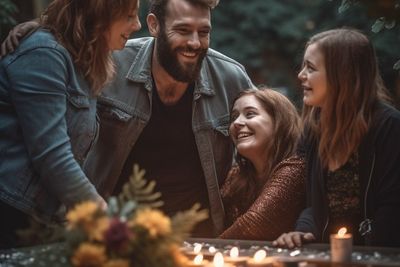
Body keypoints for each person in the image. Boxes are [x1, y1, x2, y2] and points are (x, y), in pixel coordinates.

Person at [3, 0, 253, 238]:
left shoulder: (230, 78)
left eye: (204, 32)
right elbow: (53, 153)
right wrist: (40, 29)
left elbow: (274, 138)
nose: (195, 42)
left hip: (201, 238)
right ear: (154, 25)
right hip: (107, 234)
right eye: (183, 30)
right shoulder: (109, 61)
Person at [0, 0, 141, 248]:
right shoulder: (44, 54)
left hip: (40, 222)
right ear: (99, 15)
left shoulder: (81, 60)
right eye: (129, 16)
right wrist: (107, 220)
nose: (137, 25)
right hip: (11, 218)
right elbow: (52, 156)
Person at [273, 28, 400, 248]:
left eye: (310, 68)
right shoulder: (312, 129)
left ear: (343, 74)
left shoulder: (390, 126)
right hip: (326, 254)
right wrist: (302, 232)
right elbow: (311, 204)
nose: (300, 75)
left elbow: (392, 208)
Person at [219, 88, 306, 240]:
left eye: (250, 114)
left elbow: (253, 224)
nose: (237, 123)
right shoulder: (236, 176)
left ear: (279, 121)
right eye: (234, 117)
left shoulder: (296, 167)